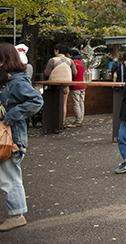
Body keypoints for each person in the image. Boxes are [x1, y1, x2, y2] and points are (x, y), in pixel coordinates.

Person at [0, 42, 43, 231]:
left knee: (10, 176)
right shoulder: (10, 80)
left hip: (12, 139)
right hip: (10, 138)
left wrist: (9, 117)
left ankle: (17, 214)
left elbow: (36, 100)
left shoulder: (16, 82)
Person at [43, 43, 77, 124]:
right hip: (66, 84)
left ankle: (52, 123)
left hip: (53, 85)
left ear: (57, 51)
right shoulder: (70, 61)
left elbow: (47, 73)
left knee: (53, 103)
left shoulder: (52, 60)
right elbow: (75, 72)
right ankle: (61, 122)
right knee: (63, 104)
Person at [67, 48, 86, 128]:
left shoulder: (73, 62)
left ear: (71, 55)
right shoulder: (82, 62)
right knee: (81, 102)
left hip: (75, 84)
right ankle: (80, 119)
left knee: (76, 103)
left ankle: (78, 121)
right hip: (83, 84)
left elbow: (74, 74)